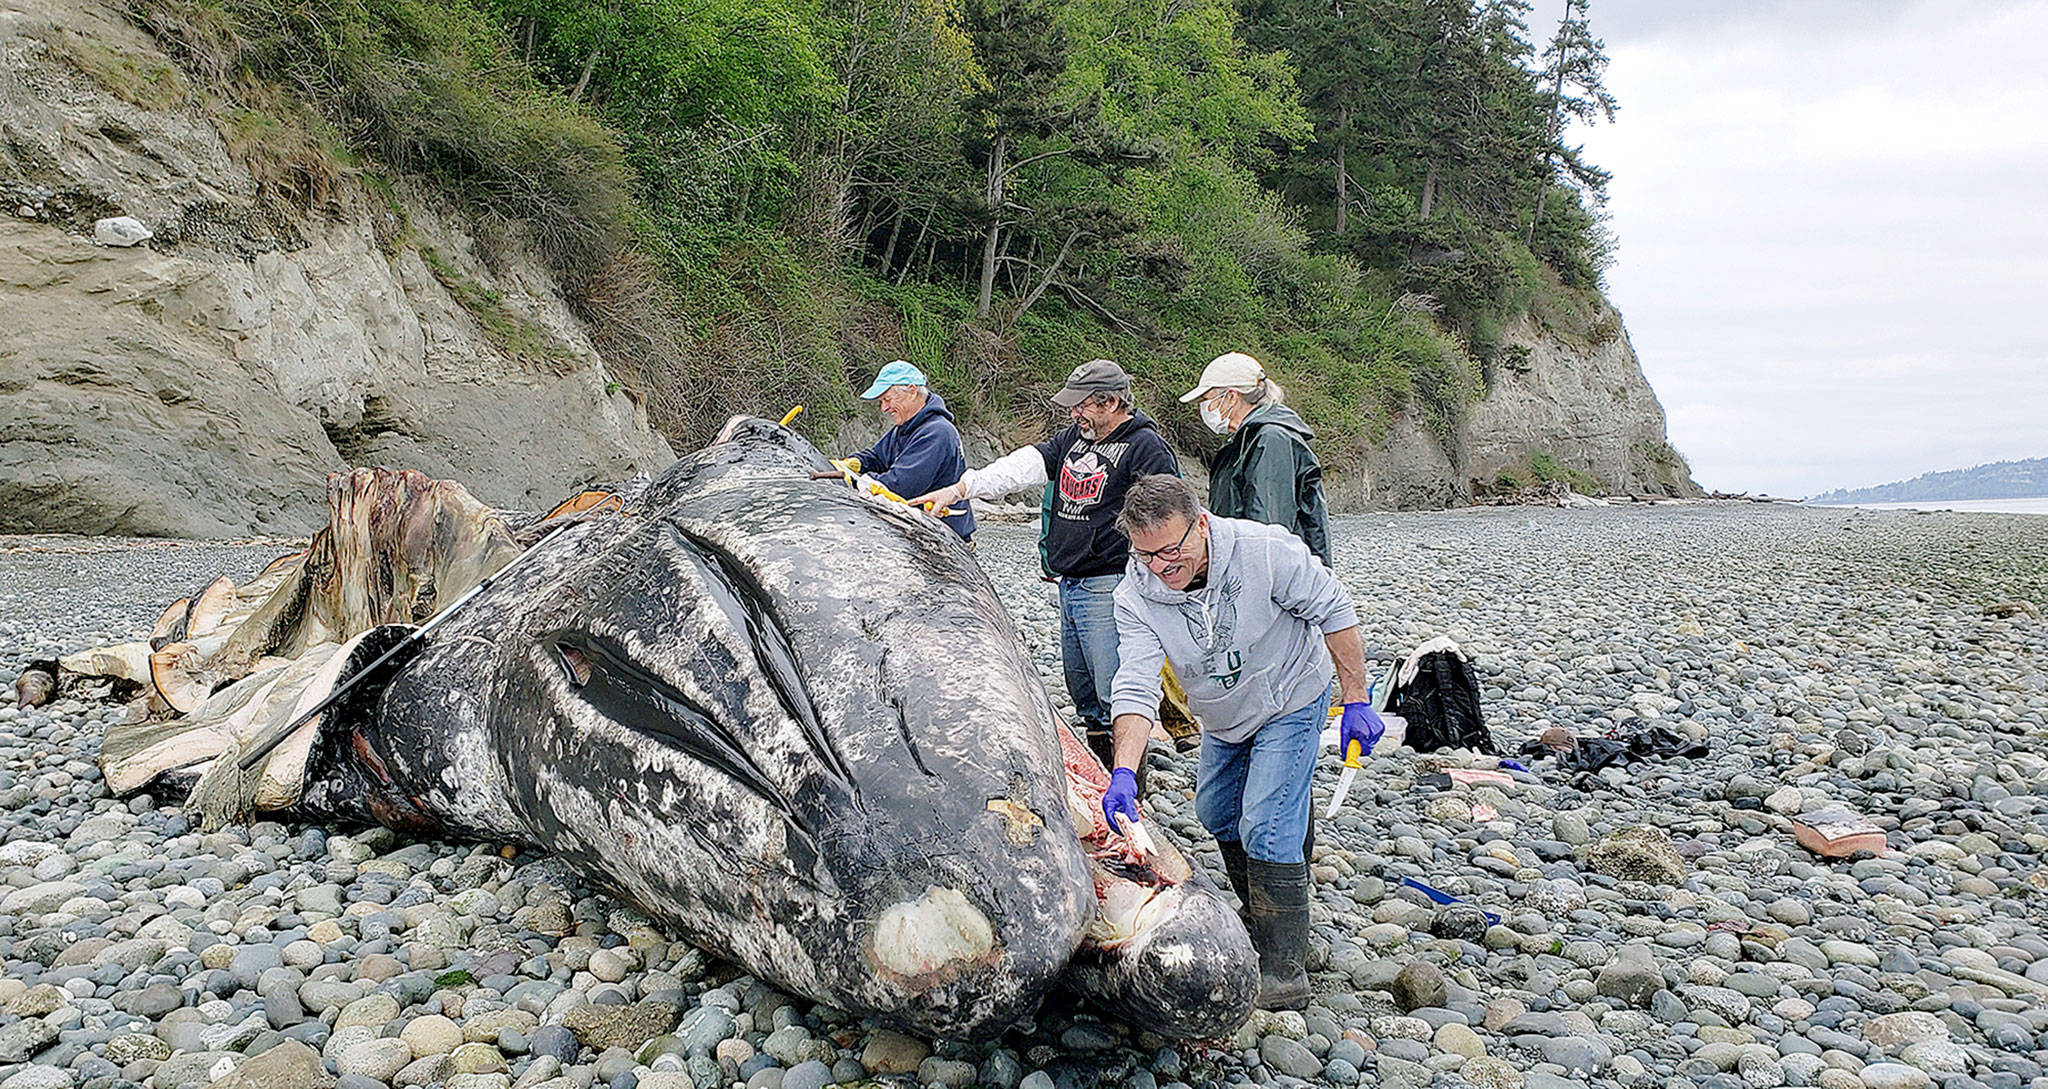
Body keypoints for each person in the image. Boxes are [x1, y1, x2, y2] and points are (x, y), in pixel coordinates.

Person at [1097, 474, 1382, 1010]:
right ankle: (1262, 911)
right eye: (1147, 554)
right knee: (1218, 811)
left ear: (1200, 524)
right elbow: (1134, 684)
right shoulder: (1136, 594)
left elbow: (1334, 611)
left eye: (1172, 549)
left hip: (1291, 693)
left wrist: (1357, 699)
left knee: (1267, 826)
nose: (1161, 566)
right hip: (1225, 716)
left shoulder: (1266, 550)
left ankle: (1282, 968)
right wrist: (1124, 772)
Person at [910, 360, 1177, 769]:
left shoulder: (1145, 447)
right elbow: (1023, 467)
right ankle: (1101, 779)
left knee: (1116, 694)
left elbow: (1166, 515)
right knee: (1084, 694)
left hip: (1112, 583)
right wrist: (962, 489)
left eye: (1082, 405)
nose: (1074, 413)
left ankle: (1129, 790)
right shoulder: (1075, 438)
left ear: (1109, 402)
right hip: (1070, 583)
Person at [1180, 352, 1332, 568]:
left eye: (1207, 400)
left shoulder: (1270, 439)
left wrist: (1257, 582)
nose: (1204, 409)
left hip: (1275, 578)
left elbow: (1269, 525)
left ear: (1231, 397)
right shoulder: (1245, 440)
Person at [844, 361, 975, 541]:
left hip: (946, 538)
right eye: (882, 401)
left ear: (912, 391)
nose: (884, 408)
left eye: (887, 399)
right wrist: (854, 463)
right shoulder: (907, 427)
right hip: (922, 532)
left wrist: (852, 479)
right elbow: (877, 457)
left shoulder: (938, 433)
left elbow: (899, 486)